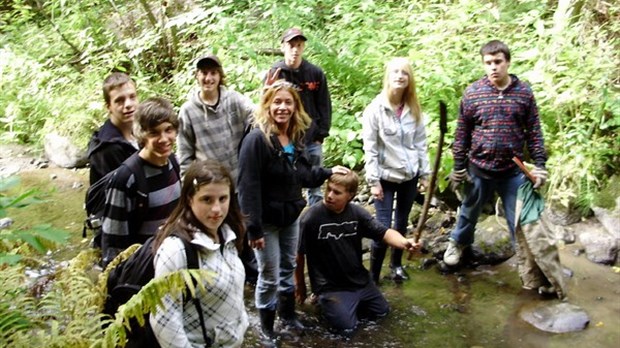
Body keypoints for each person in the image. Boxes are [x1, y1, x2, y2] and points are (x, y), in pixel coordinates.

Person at [237, 80, 349, 343]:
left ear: (296, 107)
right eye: (277, 102)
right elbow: (247, 186)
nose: (282, 107)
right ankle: (266, 328)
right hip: (265, 221)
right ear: (267, 106)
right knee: (268, 274)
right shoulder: (256, 140)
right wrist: (252, 228)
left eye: (288, 102)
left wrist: (329, 172)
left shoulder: (296, 136)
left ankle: (288, 316)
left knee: (288, 267)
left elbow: (304, 175)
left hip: (290, 217)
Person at [443, 40, 548, 266]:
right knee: (469, 211)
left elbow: (534, 131)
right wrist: (458, 167)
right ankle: (458, 244)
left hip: (513, 170)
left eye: (498, 62)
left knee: (519, 218)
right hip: (478, 167)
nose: (493, 67)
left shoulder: (523, 92)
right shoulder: (473, 93)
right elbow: (462, 133)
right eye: (488, 62)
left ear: (507, 62)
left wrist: (540, 165)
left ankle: (529, 264)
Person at [295, 171, 420, 336]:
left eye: (337, 192)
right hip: (331, 287)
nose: (330, 195)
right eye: (329, 189)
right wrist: (300, 287)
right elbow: (298, 254)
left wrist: (405, 242)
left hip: (360, 281)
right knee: (347, 329)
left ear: (350, 195)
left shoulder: (357, 213)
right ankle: (321, 302)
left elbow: (384, 233)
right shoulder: (311, 218)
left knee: (382, 314)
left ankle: (348, 305)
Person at [176, 53, 257, 284]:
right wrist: (189, 188)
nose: (208, 78)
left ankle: (248, 276)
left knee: (242, 227)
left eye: (213, 73)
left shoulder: (233, 100)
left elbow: (257, 115)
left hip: (236, 180)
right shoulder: (188, 111)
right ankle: (215, 276)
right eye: (204, 73)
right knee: (213, 230)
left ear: (220, 76)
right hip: (206, 185)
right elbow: (185, 153)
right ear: (197, 76)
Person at [150, 160, 248, 347]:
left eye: (223, 199)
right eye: (207, 199)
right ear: (189, 199)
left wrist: (243, 324)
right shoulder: (176, 250)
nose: (217, 209)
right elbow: (164, 321)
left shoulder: (227, 235)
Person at [361, 57, 430, 284]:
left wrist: (425, 174)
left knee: (401, 223)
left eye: (405, 73)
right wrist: (373, 181)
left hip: (409, 176)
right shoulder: (375, 109)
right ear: (388, 77)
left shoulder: (413, 109)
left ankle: (396, 264)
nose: (400, 76)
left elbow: (421, 144)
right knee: (382, 228)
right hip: (385, 176)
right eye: (395, 72)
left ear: (410, 79)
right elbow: (369, 148)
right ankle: (373, 275)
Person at [101, 97, 181, 266]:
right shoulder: (126, 178)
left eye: (168, 130)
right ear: (141, 135)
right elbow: (113, 245)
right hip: (142, 271)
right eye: (154, 133)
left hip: (172, 263)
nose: (164, 139)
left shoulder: (174, 163)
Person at [267, 27, 332, 207]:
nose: (295, 49)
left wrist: (321, 135)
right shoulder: (275, 73)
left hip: (311, 139)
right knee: (288, 181)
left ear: (303, 47)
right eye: (291, 45)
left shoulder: (315, 73)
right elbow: (267, 104)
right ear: (283, 47)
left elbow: (324, 104)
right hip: (286, 140)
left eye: (299, 45)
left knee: (315, 185)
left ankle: (313, 223)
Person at [87, 72, 139, 185]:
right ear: (109, 106)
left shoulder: (140, 133)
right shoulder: (107, 149)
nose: (128, 104)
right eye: (120, 100)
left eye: (132, 97)